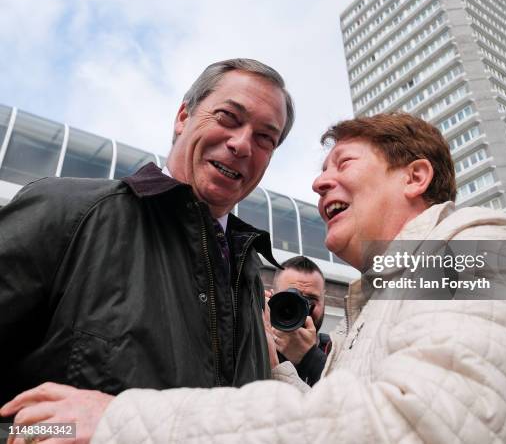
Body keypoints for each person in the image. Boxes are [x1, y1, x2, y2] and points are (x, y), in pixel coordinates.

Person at [3, 113, 506, 443]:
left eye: (342, 163)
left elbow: (419, 426)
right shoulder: (384, 300)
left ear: (415, 176)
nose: (319, 182)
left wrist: (119, 422)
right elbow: (330, 414)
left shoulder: (484, 250)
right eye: (319, 170)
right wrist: (280, 365)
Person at [0, 58, 294, 409]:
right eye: (228, 118)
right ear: (183, 117)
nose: (243, 144)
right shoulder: (66, 211)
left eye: (265, 138)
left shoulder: (248, 275)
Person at [270, 256, 332, 386]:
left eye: (310, 300)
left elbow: (348, 398)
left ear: (324, 302)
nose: (301, 308)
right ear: (271, 298)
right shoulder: (252, 345)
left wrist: (311, 357)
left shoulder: (337, 351)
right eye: (289, 299)